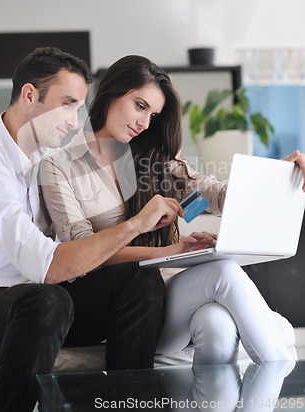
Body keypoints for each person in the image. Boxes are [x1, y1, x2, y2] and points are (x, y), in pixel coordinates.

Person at [40, 54, 305, 369]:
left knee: (217, 324)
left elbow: (216, 195)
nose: (144, 122)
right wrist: (169, 249)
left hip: (169, 294)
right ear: (110, 94)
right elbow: (82, 254)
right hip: (117, 306)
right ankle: (286, 374)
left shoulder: (155, 161)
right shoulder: (59, 166)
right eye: (140, 106)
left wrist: (275, 176)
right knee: (223, 272)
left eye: (153, 115)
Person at [0, 48, 185, 412]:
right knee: (48, 299)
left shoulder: (43, 160)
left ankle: (129, 405)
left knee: (137, 281)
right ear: (29, 96)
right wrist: (135, 224)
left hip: (43, 304)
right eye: (67, 104)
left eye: (78, 107)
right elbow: (50, 268)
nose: (74, 120)